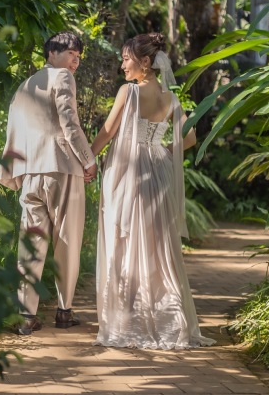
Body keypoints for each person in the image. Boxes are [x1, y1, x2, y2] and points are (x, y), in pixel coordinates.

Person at [90, 32, 215, 349]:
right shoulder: (171, 100)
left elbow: (107, 132)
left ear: (145, 62)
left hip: (130, 172)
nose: (122, 65)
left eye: (127, 59)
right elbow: (188, 140)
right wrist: (159, 152)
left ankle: (129, 320)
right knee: (158, 245)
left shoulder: (128, 93)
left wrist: (86, 159)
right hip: (158, 171)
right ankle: (170, 320)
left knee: (127, 240)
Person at [0, 31, 97, 336]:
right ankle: (64, 311)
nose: (75, 62)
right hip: (63, 168)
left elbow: (13, 132)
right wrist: (88, 159)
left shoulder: (23, 87)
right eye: (71, 55)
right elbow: (70, 122)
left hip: (31, 173)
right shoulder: (62, 77)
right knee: (66, 240)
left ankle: (26, 315)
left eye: (79, 57)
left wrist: (14, 171)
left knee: (31, 243)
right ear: (53, 53)